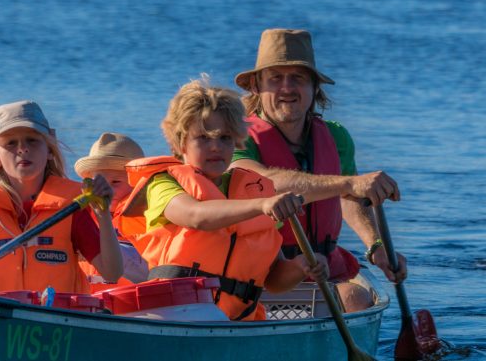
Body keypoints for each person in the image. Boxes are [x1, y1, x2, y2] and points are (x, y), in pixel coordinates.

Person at [116, 77, 328, 321]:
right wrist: (262, 205)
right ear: (181, 142)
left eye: (225, 138)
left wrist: (301, 267)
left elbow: (273, 280)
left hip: (237, 324)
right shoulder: (163, 183)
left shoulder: (255, 191)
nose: (216, 147)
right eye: (204, 138)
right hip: (174, 316)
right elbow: (196, 216)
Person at [231, 28, 407, 312]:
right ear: (256, 87)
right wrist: (349, 184)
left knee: (355, 299)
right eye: (275, 78)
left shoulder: (336, 137)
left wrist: (376, 247)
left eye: (298, 78)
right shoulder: (236, 137)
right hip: (263, 274)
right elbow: (265, 183)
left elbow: (347, 200)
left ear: (315, 88)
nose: (286, 88)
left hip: (323, 268)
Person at [0, 100, 123, 293]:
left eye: (32, 140)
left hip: (53, 318)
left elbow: (112, 272)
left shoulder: (70, 210)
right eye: (11, 143)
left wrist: (103, 215)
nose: (22, 149)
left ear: (49, 151)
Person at [74, 132, 149, 291]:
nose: (107, 189)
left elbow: (148, 268)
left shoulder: (149, 214)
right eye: (99, 182)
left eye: (116, 182)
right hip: (89, 301)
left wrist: (88, 248)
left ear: (138, 184)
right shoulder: (82, 215)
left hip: (134, 303)